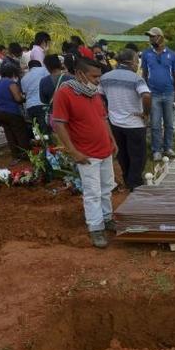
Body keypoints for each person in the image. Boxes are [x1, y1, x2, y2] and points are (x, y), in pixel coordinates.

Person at [52, 58, 118, 248]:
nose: (98, 80)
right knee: (92, 192)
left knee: (107, 188)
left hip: (104, 150)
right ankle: (96, 228)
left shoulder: (94, 93)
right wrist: (73, 151)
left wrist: (112, 140)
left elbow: (103, 119)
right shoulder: (65, 93)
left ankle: (107, 219)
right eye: (94, 76)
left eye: (99, 76)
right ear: (80, 74)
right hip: (86, 154)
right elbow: (59, 124)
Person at [100, 49, 151, 192]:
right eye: (136, 61)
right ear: (130, 62)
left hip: (115, 123)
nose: (137, 65)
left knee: (122, 154)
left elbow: (100, 95)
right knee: (138, 156)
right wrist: (146, 113)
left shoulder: (106, 77)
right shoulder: (136, 79)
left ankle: (128, 179)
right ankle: (135, 183)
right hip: (134, 123)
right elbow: (146, 96)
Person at [141, 27, 175, 162]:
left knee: (169, 123)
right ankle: (156, 150)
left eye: (153, 36)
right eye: (150, 37)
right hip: (153, 94)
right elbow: (144, 74)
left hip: (169, 93)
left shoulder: (172, 55)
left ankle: (168, 147)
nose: (150, 39)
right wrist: (144, 92)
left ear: (160, 37)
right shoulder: (146, 54)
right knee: (155, 124)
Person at [0, 62, 30, 165]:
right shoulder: (11, 83)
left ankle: (15, 157)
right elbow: (17, 98)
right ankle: (26, 154)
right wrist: (24, 98)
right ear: (13, 72)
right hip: (11, 111)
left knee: (9, 135)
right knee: (20, 133)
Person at [39, 54, 73, 123]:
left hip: (55, 115)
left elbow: (43, 100)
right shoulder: (70, 78)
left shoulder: (43, 81)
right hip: (70, 113)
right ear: (59, 64)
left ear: (47, 67)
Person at [21, 60, 51, 134]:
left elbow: (25, 93)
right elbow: (50, 82)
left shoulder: (23, 78)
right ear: (39, 65)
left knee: (37, 131)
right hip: (41, 103)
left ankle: (41, 144)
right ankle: (50, 144)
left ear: (29, 68)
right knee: (46, 129)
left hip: (30, 107)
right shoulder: (44, 70)